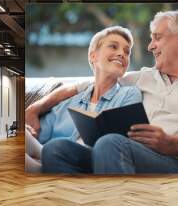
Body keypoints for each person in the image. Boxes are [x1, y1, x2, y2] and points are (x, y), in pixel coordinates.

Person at [26, 10, 178, 174]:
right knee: (56, 148)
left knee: (109, 143)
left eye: (157, 37)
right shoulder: (144, 76)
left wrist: (172, 144)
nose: (150, 46)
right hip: (121, 152)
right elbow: (80, 86)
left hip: (174, 161)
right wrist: (36, 107)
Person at [25, 26, 142, 173]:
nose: (121, 54)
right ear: (93, 56)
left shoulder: (129, 94)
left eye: (127, 51)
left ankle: (42, 167)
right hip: (56, 159)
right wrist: (29, 128)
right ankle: (41, 168)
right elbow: (37, 134)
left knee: (54, 148)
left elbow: (121, 143)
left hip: (96, 160)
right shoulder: (68, 102)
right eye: (113, 46)